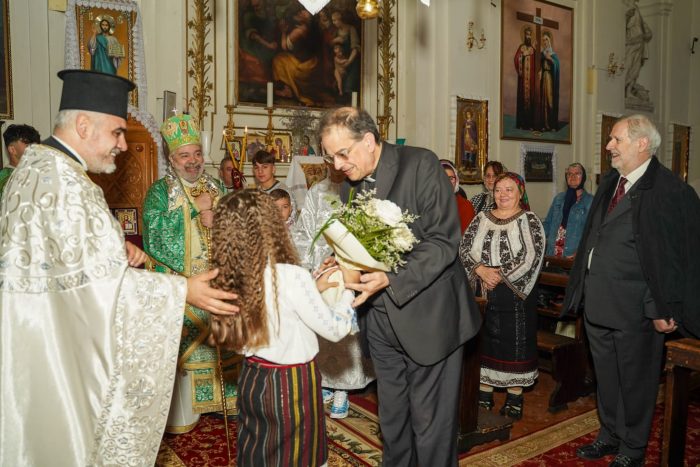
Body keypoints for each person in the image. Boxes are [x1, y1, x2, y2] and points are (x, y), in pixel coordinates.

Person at [0, 69, 237, 466]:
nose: (124, 145)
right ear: (82, 124)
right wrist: (182, 291)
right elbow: (98, 292)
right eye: (116, 133)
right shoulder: (67, 187)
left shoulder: (43, 172)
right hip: (57, 357)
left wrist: (114, 245)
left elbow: (70, 268)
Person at [317, 107, 482, 466]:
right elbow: (362, 246)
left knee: (431, 427)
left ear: (370, 141)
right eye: (330, 157)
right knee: (392, 422)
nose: (337, 165)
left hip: (429, 317)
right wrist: (343, 259)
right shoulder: (350, 185)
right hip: (380, 321)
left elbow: (443, 241)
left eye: (342, 153)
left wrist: (392, 277)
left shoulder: (421, 165)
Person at [563, 115, 700, 466]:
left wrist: (660, 307)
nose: (608, 146)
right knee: (606, 378)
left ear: (642, 144)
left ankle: (633, 448)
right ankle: (610, 435)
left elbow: (677, 256)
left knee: (636, 383)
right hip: (598, 302)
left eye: (616, 139)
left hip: (637, 308)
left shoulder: (671, 190)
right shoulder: (612, 181)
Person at [208, 189, 357, 467]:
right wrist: (348, 287)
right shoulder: (290, 276)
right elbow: (336, 329)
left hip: (253, 379)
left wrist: (314, 285)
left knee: (259, 451)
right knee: (298, 457)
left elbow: (276, 310)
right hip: (291, 385)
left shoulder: (227, 275)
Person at [142, 113, 237, 434]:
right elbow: (153, 236)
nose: (193, 161)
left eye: (197, 153)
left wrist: (219, 219)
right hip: (181, 285)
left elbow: (237, 225)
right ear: (171, 158)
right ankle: (185, 412)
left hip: (217, 278)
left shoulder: (216, 185)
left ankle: (221, 401)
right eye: (185, 155)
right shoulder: (160, 192)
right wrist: (194, 210)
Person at [290, 163, 375, 419]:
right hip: (323, 267)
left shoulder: (361, 188)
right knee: (324, 326)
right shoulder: (318, 190)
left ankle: (344, 390)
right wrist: (316, 263)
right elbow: (305, 231)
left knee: (348, 329)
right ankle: (327, 382)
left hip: (351, 268)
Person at [459, 172, 545, 420]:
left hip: (515, 295)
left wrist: (498, 276)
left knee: (514, 344)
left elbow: (531, 256)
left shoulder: (529, 220)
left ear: (520, 193)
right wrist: (480, 270)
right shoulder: (481, 218)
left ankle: (514, 397)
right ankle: (484, 394)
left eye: (509, 189)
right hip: (481, 290)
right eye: (498, 190)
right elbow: (464, 248)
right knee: (483, 342)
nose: (503, 194)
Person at [272, 4, 320, 106]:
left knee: (278, 59)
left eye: (302, 12)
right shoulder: (311, 29)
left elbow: (285, 46)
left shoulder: (299, 31)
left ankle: (287, 89)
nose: (299, 13)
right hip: (312, 62)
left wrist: (283, 32)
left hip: (302, 66)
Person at [542, 163, 593, 257]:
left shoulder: (590, 201)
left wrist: (580, 253)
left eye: (577, 173)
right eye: (569, 174)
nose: (572, 176)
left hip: (573, 257)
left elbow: (593, 232)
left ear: (584, 177)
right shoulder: (559, 198)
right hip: (552, 255)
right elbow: (548, 223)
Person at [624, 0, 653, 103]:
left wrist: (648, 32)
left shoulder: (636, 8)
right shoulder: (624, 5)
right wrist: (627, 15)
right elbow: (620, 22)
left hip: (639, 41)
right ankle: (624, 90)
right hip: (630, 41)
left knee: (635, 68)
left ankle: (629, 91)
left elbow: (642, 24)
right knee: (628, 65)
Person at [0, 123, 41, 196]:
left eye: (36, 145)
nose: (35, 149)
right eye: (29, 145)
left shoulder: (38, 172)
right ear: (12, 149)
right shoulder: (6, 180)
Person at [330, 11, 361, 98]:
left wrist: (349, 62)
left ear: (341, 20)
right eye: (333, 21)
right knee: (338, 83)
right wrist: (334, 41)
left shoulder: (351, 29)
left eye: (335, 20)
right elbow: (331, 46)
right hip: (339, 62)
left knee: (349, 86)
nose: (334, 23)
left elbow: (355, 48)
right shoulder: (336, 32)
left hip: (351, 61)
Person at [441, 159, 476, 234]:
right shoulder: (427, 202)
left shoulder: (465, 206)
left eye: (451, 178)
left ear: (456, 181)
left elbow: (466, 239)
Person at [514, 26, 536, 130]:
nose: (528, 36)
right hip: (523, 80)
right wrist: (523, 55)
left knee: (531, 99)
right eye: (527, 34)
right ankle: (522, 124)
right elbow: (516, 58)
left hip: (531, 80)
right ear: (524, 35)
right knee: (523, 100)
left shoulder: (533, 49)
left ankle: (531, 124)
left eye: (530, 34)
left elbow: (537, 63)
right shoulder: (521, 47)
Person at [539, 31, 560, 132]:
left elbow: (557, 66)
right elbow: (538, 64)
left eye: (546, 39)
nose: (545, 42)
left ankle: (551, 125)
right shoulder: (542, 53)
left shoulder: (553, 54)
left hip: (550, 79)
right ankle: (543, 124)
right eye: (543, 40)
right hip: (543, 78)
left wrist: (550, 59)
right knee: (543, 101)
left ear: (550, 40)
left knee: (550, 100)